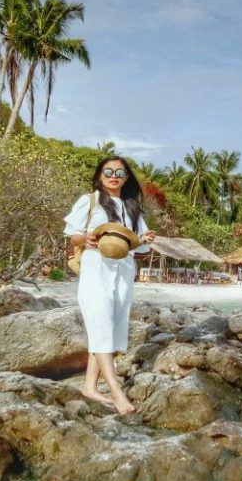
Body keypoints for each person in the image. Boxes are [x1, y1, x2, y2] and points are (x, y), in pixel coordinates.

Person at [63, 157, 156, 414]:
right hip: (96, 268)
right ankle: (116, 392)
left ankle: (89, 387)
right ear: (100, 175)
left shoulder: (132, 206)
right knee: (100, 322)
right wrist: (88, 238)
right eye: (108, 171)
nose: (114, 175)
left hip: (124, 269)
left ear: (126, 177)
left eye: (119, 172)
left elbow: (138, 244)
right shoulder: (89, 200)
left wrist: (144, 238)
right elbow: (73, 238)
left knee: (112, 327)